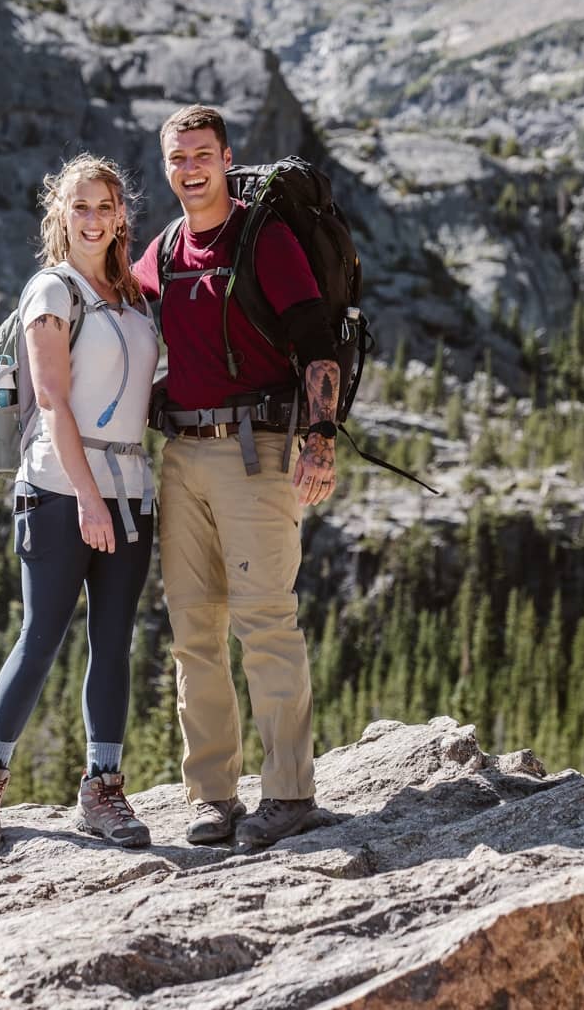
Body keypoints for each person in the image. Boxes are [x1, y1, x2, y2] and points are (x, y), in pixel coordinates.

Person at [133, 104, 339, 850]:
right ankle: (212, 796)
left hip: (259, 451)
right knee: (193, 630)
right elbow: (115, 311)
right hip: (182, 456)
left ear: (226, 158)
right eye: (177, 158)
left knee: (264, 622)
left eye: (202, 154)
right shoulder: (161, 251)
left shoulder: (264, 236)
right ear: (167, 167)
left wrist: (319, 437)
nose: (190, 168)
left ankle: (287, 792)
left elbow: (318, 339)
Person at [0, 154, 159, 848]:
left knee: (113, 642)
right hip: (58, 490)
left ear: (121, 214)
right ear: (59, 215)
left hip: (132, 490)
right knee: (42, 636)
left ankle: (102, 788)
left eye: (105, 205)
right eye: (80, 206)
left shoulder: (132, 297)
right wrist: (88, 500)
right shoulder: (52, 290)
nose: (93, 218)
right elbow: (52, 399)